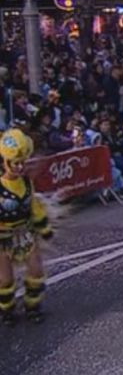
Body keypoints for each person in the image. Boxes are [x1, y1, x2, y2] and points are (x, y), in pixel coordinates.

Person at [0, 129, 53, 325]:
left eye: (23, 162)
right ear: (6, 161)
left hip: (26, 233)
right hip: (3, 237)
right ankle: (7, 310)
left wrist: (44, 226)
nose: (20, 167)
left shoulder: (26, 182)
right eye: (16, 163)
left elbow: (34, 205)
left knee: (36, 271)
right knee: (4, 280)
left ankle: (33, 305)